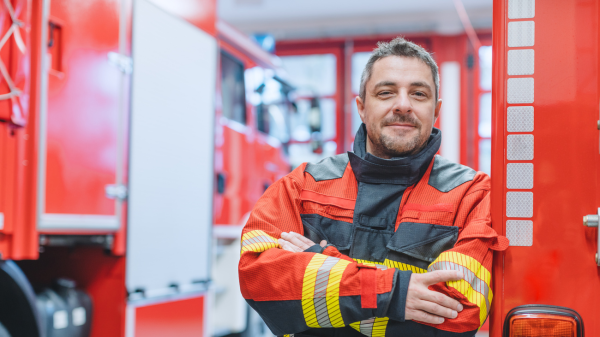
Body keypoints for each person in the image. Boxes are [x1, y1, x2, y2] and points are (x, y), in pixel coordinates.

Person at [238, 37, 508, 337]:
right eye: (386, 92)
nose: (403, 105)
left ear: (436, 110)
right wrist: (397, 294)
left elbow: (460, 311)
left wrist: (326, 262)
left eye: (419, 93)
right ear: (362, 107)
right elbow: (260, 282)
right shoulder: (302, 186)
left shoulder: (472, 194)